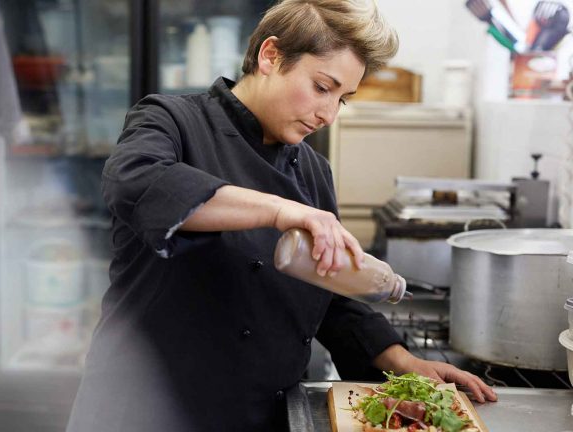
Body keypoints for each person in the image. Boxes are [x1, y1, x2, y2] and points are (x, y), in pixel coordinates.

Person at [67, 1, 497, 431]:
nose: (328, 114)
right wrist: (279, 210)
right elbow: (136, 180)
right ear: (270, 56)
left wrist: (403, 360)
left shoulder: (313, 170)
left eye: (342, 99)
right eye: (322, 87)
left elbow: (330, 290)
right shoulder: (172, 120)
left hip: (266, 414)